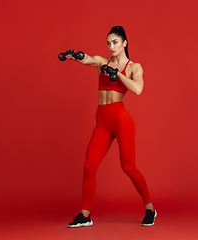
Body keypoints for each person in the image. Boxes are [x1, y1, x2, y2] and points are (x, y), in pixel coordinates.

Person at [64, 26, 156, 227]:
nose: (111, 46)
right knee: (89, 166)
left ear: (124, 43)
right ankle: (85, 215)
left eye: (115, 42)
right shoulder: (102, 62)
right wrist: (74, 56)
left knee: (128, 167)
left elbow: (138, 89)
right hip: (102, 121)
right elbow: (87, 58)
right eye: (108, 43)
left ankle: (150, 208)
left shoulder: (134, 67)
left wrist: (118, 74)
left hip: (121, 119)